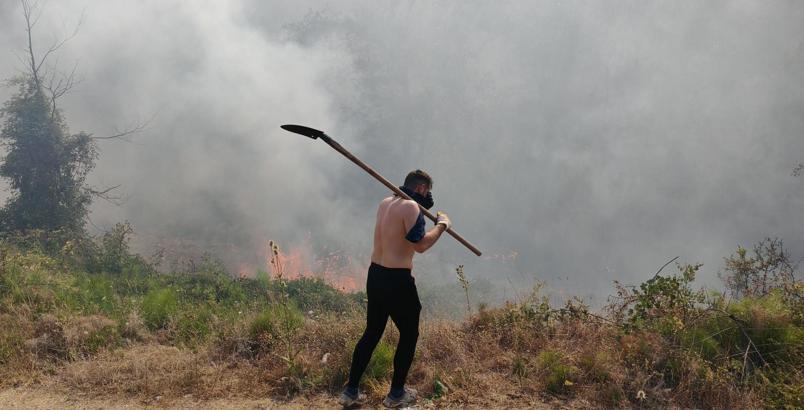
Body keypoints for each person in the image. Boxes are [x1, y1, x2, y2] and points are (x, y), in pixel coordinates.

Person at [339, 169, 451, 408]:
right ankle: (396, 394)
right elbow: (420, 245)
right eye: (427, 191)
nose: (428, 197)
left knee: (372, 333)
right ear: (420, 188)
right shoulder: (411, 207)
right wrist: (442, 225)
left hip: (376, 274)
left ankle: (350, 392)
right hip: (397, 280)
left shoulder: (385, 203)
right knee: (409, 335)